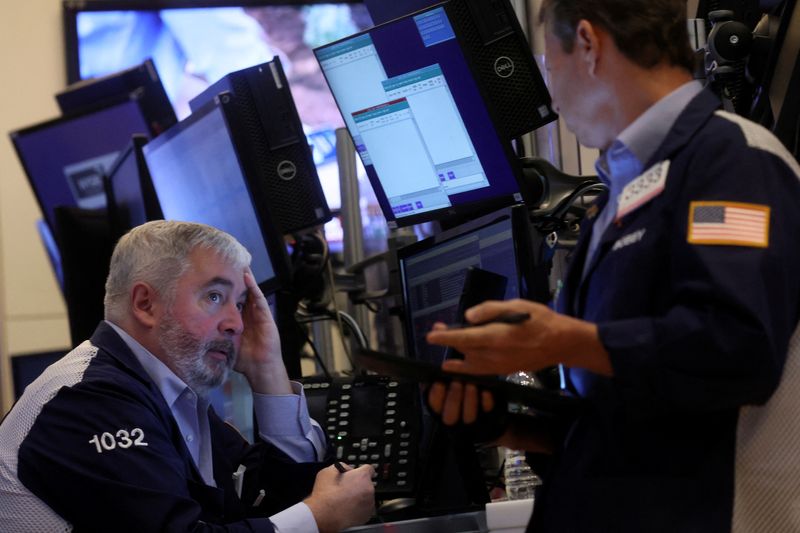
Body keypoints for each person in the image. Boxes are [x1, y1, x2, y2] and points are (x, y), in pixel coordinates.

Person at [426, 0, 800, 532]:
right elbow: (620, 417)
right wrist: (500, 423)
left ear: (588, 44)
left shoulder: (733, 160)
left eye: (550, 68)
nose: (553, 95)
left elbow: (736, 348)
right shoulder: (620, 195)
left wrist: (566, 341)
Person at [0, 220, 375, 532]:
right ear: (145, 303)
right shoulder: (89, 399)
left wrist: (267, 370)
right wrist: (318, 517)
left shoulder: (171, 393)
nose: (235, 323)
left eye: (240, 304)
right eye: (214, 297)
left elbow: (272, 500)